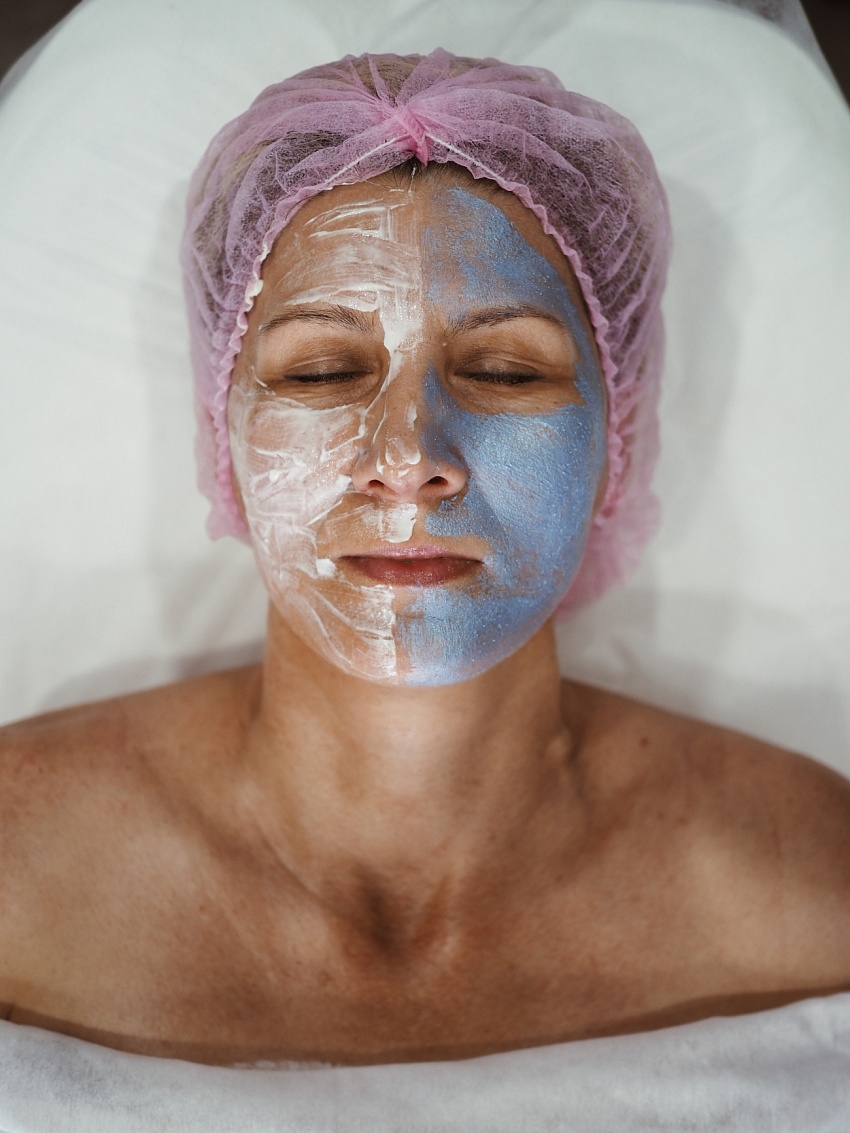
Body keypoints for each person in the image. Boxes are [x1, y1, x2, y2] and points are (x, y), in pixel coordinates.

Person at [1, 48, 849, 1070]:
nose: (407, 459)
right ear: (223, 433)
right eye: (321, 370)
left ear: (614, 441)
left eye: (506, 369)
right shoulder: (15, 860)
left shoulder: (814, 887)